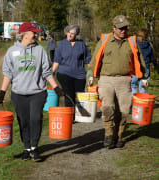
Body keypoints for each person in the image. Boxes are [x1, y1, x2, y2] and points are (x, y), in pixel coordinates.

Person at [0, 22, 64, 161]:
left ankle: (34, 148)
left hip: (37, 92)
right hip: (18, 93)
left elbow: (47, 72)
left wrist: (56, 87)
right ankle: (26, 148)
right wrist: (2, 92)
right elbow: (8, 73)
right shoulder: (11, 52)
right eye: (33, 32)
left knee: (35, 119)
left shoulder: (39, 51)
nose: (36, 34)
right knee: (23, 121)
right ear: (25, 35)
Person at [88, 15, 146, 149]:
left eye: (125, 27)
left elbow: (140, 59)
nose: (123, 30)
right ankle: (108, 133)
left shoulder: (132, 41)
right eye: (120, 28)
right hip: (106, 79)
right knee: (108, 106)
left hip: (125, 80)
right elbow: (95, 59)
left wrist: (143, 77)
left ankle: (118, 136)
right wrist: (90, 74)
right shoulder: (105, 40)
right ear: (113, 28)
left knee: (124, 111)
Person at [52, 24, 91, 107]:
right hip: (64, 73)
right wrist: (52, 72)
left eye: (72, 33)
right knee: (69, 95)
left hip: (79, 75)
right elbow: (57, 60)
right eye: (69, 32)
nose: (70, 35)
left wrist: (91, 74)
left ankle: (77, 117)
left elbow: (88, 60)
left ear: (76, 35)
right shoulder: (62, 44)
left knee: (78, 97)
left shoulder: (81, 45)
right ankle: (69, 117)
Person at [131, 28, 155, 96]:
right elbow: (152, 58)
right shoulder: (149, 45)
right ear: (146, 36)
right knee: (144, 87)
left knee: (133, 86)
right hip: (146, 69)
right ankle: (142, 103)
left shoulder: (133, 44)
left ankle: (133, 102)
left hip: (135, 68)